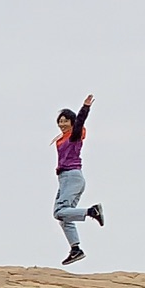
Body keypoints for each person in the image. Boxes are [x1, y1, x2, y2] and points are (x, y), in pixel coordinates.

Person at [52, 94, 103, 264]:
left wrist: (85, 107)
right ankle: (76, 249)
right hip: (67, 179)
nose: (62, 124)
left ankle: (91, 211)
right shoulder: (61, 139)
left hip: (71, 176)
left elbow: (80, 122)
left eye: (65, 120)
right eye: (60, 121)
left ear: (72, 122)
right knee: (63, 216)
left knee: (59, 212)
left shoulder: (74, 135)